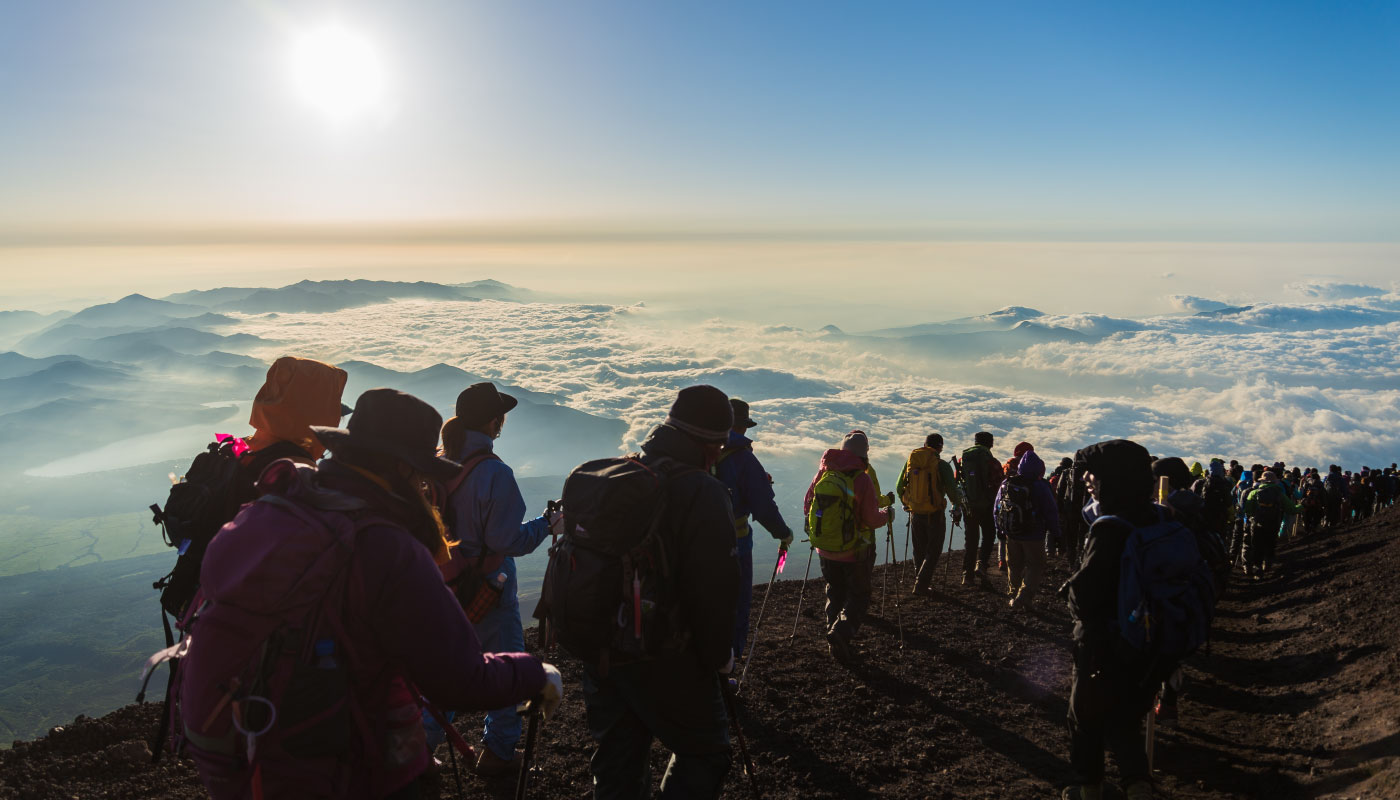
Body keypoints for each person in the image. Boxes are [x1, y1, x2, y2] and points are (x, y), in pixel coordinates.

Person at [179, 388, 562, 800]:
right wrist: (535, 674)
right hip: (342, 767)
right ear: (401, 469)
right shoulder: (386, 547)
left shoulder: (268, 511)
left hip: (244, 754)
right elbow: (461, 678)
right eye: (418, 473)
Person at [577, 385, 740, 799]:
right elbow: (713, 589)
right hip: (664, 653)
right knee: (706, 752)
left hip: (601, 647)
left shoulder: (625, 473)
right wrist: (720, 657)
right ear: (711, 444)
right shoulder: (702, 492)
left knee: (618, 763)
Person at [429, 382, 556, 776]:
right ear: (493, 422)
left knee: (447, 666)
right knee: (505, 668)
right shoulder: (494, 473)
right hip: (489, 588)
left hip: (443, 583)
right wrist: (548, 524)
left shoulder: (437, 463)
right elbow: (508, 541)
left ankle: (418, 751)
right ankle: (498, 753)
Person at [1059, 439, 1161, 800]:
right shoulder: (1158, 517)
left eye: (1094, 475)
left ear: (1110, 480)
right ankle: (1139, 785)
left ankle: (1090, 790)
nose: (1087, 480)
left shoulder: (1110, 527)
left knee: (1084, 718)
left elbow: (1086, 598)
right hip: (1147, 641)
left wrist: (1071, 591)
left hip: (1102, 643)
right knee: (1125, 719)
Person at [714, 398, 795, 660]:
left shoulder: (702, 451)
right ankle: (729, 663)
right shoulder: (742, 459)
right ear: (744, 426)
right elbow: (762, 506)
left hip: (693, 540)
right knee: (736, 604)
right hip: (734, 543)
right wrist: (783, 533)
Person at [804, 431, 893, 664]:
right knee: (859, 596)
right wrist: (887, 515)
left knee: (835, 591)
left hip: (825, 548)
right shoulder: (861, 478)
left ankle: (834, 639)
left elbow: (808, 504)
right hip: (855, 550)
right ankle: (840, 633)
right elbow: (871, 519)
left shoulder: (824, 473)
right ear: (864, 453)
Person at [896, 433, 962, 595]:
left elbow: (899, 486)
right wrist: (957, 504)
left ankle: (921, 583)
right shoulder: (941, 465)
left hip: (915, 513)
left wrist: (907, 504)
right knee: (933, 551)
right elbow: (951, 491)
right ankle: (921, 584)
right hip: (935, 515)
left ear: (924, 445)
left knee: (919, 550)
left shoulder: (911, 463)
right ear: (940, 447)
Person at [995, 450, 1059, 610]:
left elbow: (997, 508)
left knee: (1014, 565)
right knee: (1036, 565)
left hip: (1012, 533)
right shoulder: (1041, 486)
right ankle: (1024, 596)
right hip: (1034, 535)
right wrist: (1056, 533)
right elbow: (1051, 512)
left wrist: (1000, 529)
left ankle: (1013, 594)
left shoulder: (1007, 483)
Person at [957, 432, 1002, 589]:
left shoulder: (963, 460)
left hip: (968, 506)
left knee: (971, 540)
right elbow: (999, 486)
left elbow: (959, 482)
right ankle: (981, 564)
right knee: (989, 534)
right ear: (990, 444)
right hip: (987, 505)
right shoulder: (992, 462)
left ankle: (966, 576)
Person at [1242, 471, 1300, 577]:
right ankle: (1267, 565)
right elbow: (1292, 509)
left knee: (1257, 547)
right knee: (1270, 545)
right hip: (1273, 524)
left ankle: (1257, 569)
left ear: (1263, 481)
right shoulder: (1279, 494)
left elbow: (1248, 510)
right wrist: (1303, 506)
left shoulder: (1253, 493)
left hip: (1257, 525)